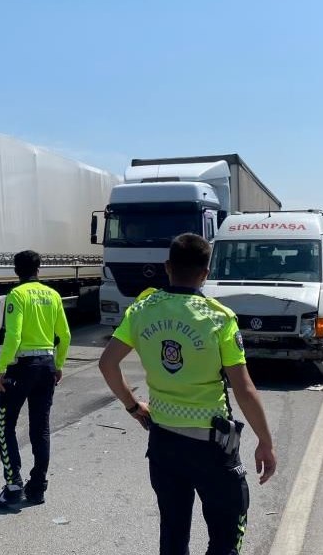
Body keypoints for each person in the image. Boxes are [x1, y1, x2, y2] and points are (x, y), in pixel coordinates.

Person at [98, 233, 277, 555]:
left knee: (173, 533)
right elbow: (244, 389)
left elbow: (107, 364)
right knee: (225, 537)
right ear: (206, 273)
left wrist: (132, 406)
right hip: (211, 447)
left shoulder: (141, 311)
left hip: (163, 441)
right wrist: (265, 441)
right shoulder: (219, 318)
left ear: (167, 267)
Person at [0, 250, 71, 509]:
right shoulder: (53, 295)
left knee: (6, 424)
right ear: (40, 269)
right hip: (47, 366)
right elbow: (66, 335)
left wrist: (1, 368)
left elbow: (13, 336)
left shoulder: (17, 294)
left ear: (16, 270)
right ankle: (37, 488)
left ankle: (13, 485)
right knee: (41, 428)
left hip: (21, 368)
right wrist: (58, 365)